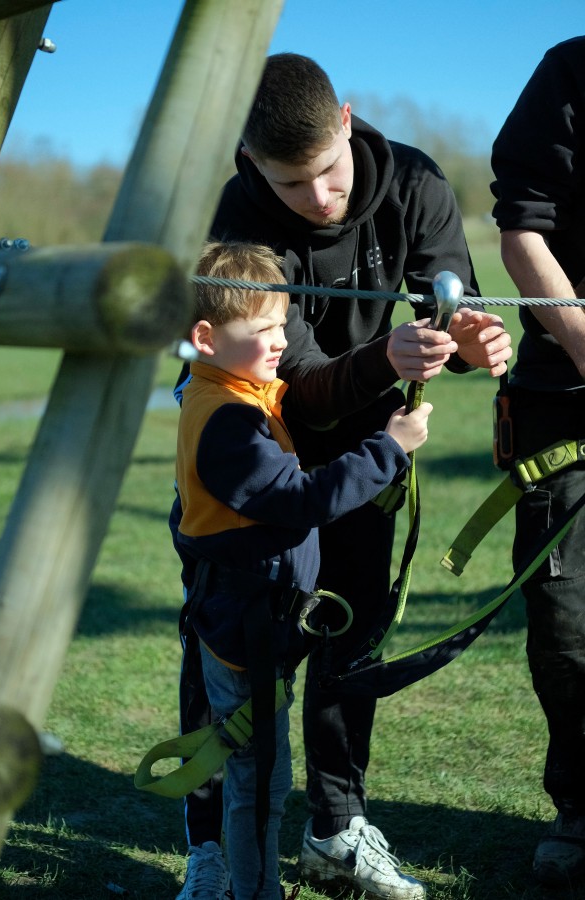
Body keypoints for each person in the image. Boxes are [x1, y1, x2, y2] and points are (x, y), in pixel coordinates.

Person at [176, 53, 512, 900]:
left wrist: (472, 346)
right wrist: (380, 365)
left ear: (351, 121)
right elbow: (298, 382)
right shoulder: (239, 217)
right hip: (260, 455)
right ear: (255, 167)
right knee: (230, 652)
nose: (320, 199)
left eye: (328, 170)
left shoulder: (417, 181)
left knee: (350, 637)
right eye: (294, 185)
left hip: (368, 451)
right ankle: (209, 847)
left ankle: (335, 827)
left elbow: (452, 298)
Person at [175, 239, 432, 900]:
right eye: (260, 330)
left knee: (256, 768)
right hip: (244, 628)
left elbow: (302, 395)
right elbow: (301, 500)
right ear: (206, 337)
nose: (279, 342)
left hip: (257, 619)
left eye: (281, 325)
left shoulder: (239, 390)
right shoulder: (228, 421)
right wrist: (389, 450)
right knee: (259, 778)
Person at [490, 36, 585, 889]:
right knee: (567, 623)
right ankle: (581, 805)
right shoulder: (569, 73)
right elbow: (524, 231)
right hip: (567, 397)